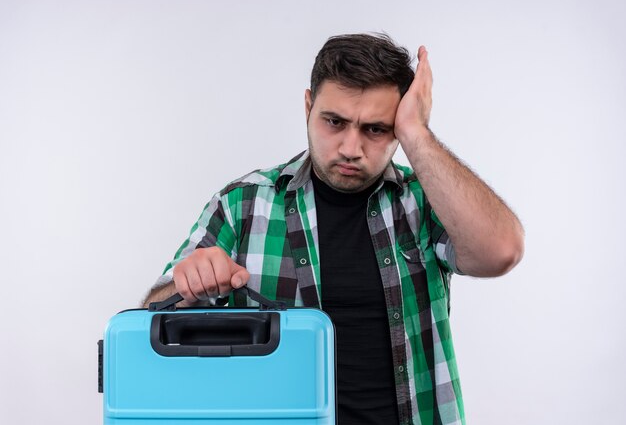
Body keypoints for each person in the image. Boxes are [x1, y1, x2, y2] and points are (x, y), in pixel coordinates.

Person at [143, 33, 524, 425]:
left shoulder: (424, 200)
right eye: (334, 121)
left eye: (376, 129)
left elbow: (501, 251)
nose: (350, 147)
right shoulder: (244, 205)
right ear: (308, 106)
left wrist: (417, 134)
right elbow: (149, 315)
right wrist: (190, 283)